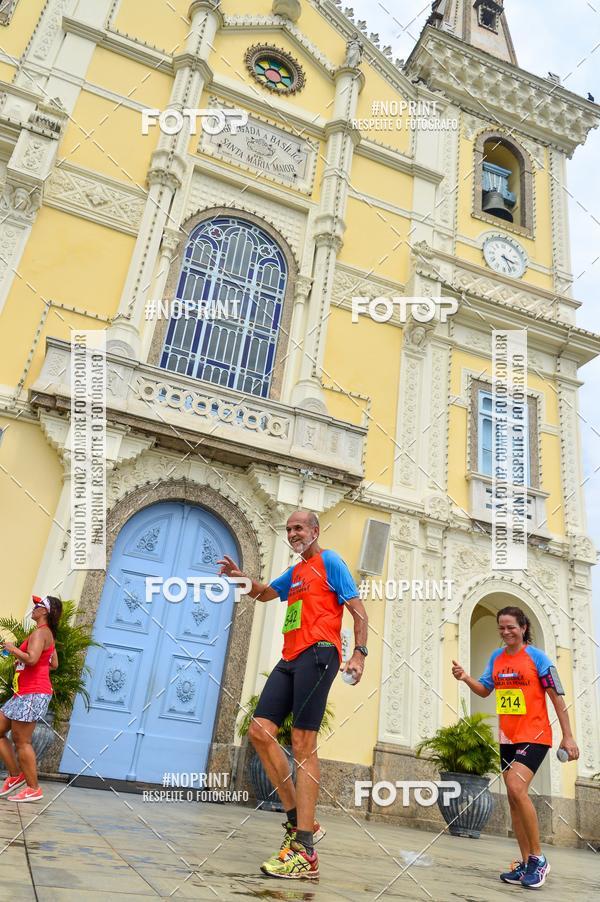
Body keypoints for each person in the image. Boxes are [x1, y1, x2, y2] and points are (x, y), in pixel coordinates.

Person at [218, 510, 368, 880]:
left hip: (320, 652)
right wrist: (242, 579)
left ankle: (305, 851)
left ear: (315, 530)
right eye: (288, 529)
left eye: (299, 527)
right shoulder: (297, 571)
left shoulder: (329, 561)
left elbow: (359, 612)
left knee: (303, 741)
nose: (293, 533)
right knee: (259, 731)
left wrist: (359, 654)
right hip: (290, 656)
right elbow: (267, 594)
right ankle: (301, 824)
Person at [452, 606, 578, 890]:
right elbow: (485, 689)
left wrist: (567, 736)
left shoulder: (538, 657)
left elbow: (556, 697)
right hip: (508, 738)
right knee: (512, 797)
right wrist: (464, 678)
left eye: (511, 626)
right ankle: (525, 864)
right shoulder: (496, 658)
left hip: (535, 735)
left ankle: (538, 859)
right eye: (501, 627)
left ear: (523, 627)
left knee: (517, 788)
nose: (506, 632)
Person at [0, 595, 62, 802]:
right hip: (25, 692)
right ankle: (15, 775)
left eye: (38, 606)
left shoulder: (39, 634)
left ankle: (33, 788)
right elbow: (53, 664)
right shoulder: (47, 634)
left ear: (45, 611)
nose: (33, 608)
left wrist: (13, 649)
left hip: (33, 693)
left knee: (22, 740)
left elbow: (33, 659)